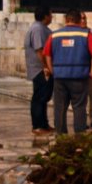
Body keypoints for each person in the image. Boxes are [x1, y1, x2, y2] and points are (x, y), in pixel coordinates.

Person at [41, 9, 92, 135]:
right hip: (79, 78)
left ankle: (61, 136)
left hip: (60, 78)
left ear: (66, 20)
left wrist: (52, 70)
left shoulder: (54, 35)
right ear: (79, 20)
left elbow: (46, 54)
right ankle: (79, 136)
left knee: (60, 108)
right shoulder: (87, 34)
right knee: (79, 107)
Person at [25, 7, 54, 135]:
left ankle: (44, 124)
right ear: (46, 16)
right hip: (39, 69)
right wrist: (46, 67)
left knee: (44, 97)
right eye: (51, 14)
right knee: (39, 98)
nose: (52, 17)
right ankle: (37, 125)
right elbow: (39, 50)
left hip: (41, 68)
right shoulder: (38, 29)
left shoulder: (41, 28)